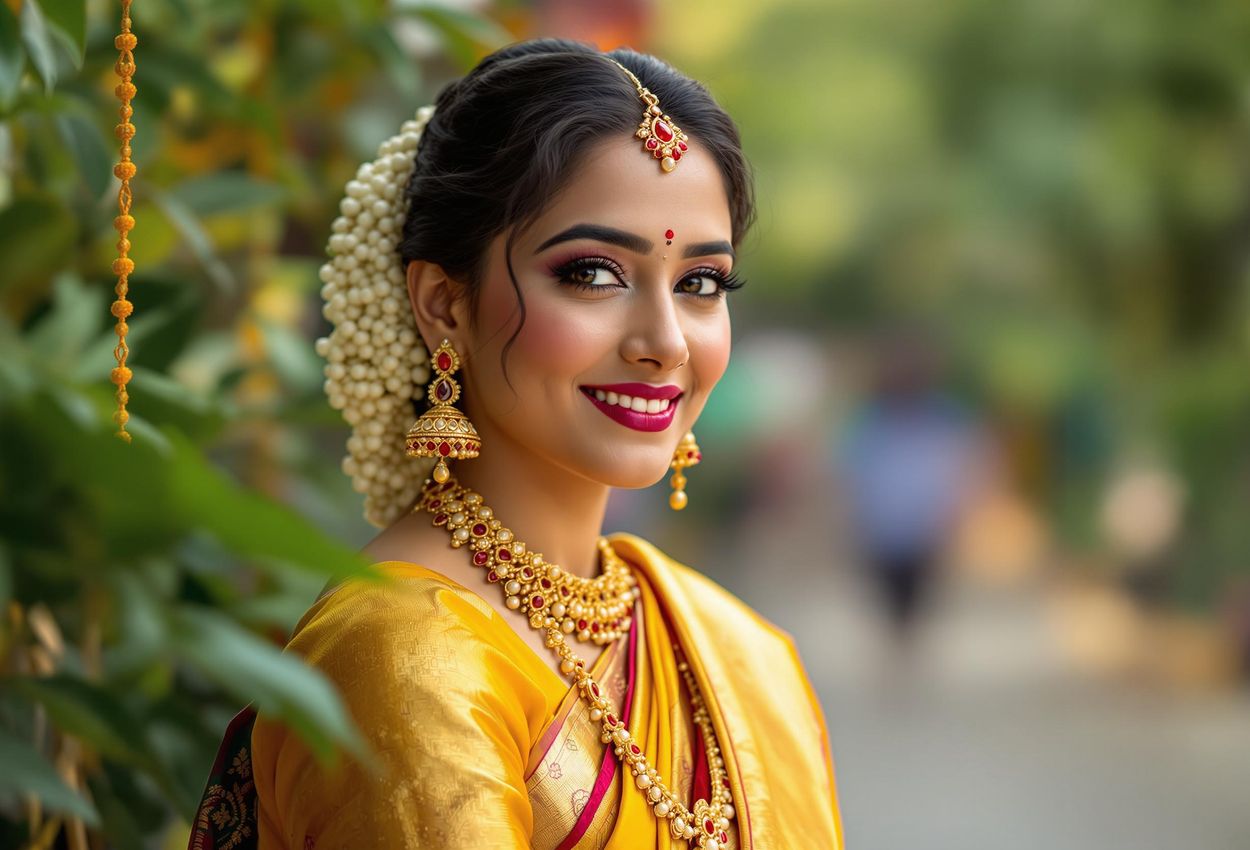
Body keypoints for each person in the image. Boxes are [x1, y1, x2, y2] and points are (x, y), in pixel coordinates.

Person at [188, 38, 844, 849]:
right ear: (444, 305)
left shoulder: (737, 648)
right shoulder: (403, 659)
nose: (667, 341)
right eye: (594, 273)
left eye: (700, 283)